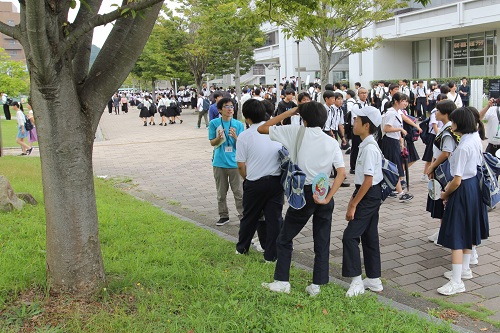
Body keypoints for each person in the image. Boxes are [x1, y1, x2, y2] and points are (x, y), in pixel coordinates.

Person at [258, 101, 346, 296]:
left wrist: (289, 112)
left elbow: (262, 128)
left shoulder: (295, 132)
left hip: (303, 194)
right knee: (322, 241)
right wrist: (328, 197)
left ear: (303, 118)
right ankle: (318, 285)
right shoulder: (332, 141)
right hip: (323, 192)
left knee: (284, 238)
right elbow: (341, 173)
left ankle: (282, 281)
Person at [436, 107, 489, 296]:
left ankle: (456, 281)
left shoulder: (464, 145)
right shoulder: (474, 137)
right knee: (467, 229)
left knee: (457, 235)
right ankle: (464, 269)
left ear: (460, 123)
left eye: (454, 121)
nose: (452, 124)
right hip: (473, 187)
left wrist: (444, 194)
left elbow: (456, 179)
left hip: (463, 188)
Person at [235, 99, 284, 262]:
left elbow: (241, 166)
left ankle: (242, 248)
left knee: (249, 217)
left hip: (254, 182)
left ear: (246, 118)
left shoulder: (244, 136)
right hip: (276, 182)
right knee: (274, 219)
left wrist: (247, 179)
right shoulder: (276, 130)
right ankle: (272, 255)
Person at [342, 106, 383, 297]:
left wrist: (353, 204)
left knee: (350, 236)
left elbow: (367, 180)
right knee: (369, 235)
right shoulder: (366, 144)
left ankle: (357, 281)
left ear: (367, 125)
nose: (353, 123)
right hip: (369, 193)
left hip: (369, 194)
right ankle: (374, 279)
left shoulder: (368, 148)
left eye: (357, 120)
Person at [425, 99, 458, 244]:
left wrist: (432, 166)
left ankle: (444, 233)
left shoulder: (448, 130)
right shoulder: (446, 127)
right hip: (440, 169)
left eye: (438, 110)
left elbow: (445, 153)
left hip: (444, 172)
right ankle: (442, 231)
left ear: (445, 113)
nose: (435, 113)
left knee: (442, 201)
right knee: (440, 202)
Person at [208, 97, 244, 226]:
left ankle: (243, 216)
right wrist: (218, 138)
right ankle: (223, 216)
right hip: (219, 162)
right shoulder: (214, 123)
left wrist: (236, 137)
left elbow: (242, 145)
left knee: (239, 192)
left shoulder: (239, 124)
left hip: (235, 163)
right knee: (221, 193)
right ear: (220, 110)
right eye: (227, 107)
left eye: (231, 106)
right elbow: (212, 142)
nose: (230, 109)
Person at [380, 93, 413, 202]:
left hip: (394, 142)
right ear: (396, 101)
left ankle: (391, 190)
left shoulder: (397, 113)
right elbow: (386, 129)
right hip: (389, 142)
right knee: (394, 167)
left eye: (406, 101)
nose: (405, 103)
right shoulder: (391, 113)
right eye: (403, 101)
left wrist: (401, 142)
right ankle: (400, 194)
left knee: (393, 167)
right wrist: (400, 130)